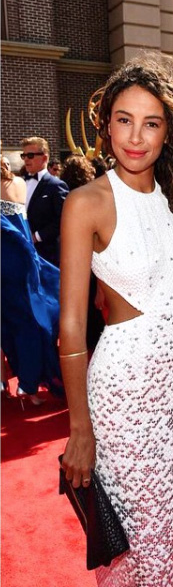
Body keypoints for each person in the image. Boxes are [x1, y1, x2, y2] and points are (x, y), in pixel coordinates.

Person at [59, 52, 173, 586]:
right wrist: (79, 428)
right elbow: (71, 327)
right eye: (124, 120)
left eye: (151, 123)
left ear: (167, 132)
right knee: (138, 548)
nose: (136, 136)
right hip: (125, 396)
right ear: (106, 125)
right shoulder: (86, 202)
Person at [1, 155, 62, 405]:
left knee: (13, 324)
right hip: (24, 261)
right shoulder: (18, 183)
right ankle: (29, 384)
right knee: (28, 321)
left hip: (7, 261)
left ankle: (23, 382)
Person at [60, 154, 105, 352]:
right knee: (91, 313)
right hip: (90, 264)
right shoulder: (92, 197)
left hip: (75, 261)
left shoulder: (70, 198)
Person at [21, 137, 69, 266]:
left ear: (44, 158)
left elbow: (63, 219)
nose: (26, 159)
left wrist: (37, 236)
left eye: (30, 155)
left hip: (46, 255)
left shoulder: (56, 185)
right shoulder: (20, 182)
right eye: (23, 156)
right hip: (22, 252)